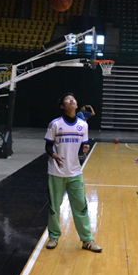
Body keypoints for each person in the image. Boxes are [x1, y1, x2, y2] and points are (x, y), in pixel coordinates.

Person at [44, 93, 102, 253]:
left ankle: (87, 240)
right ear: (62, 106)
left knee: (81, 207)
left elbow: (83, 148)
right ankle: (54, 236)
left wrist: (85, 149)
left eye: (74, 99)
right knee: (54, 207)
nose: (72, 101)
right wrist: (54, 155)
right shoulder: (55, 124)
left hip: (75, 172)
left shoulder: (83, 125)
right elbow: (48, 147)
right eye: (68, 99)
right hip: (56, 172)